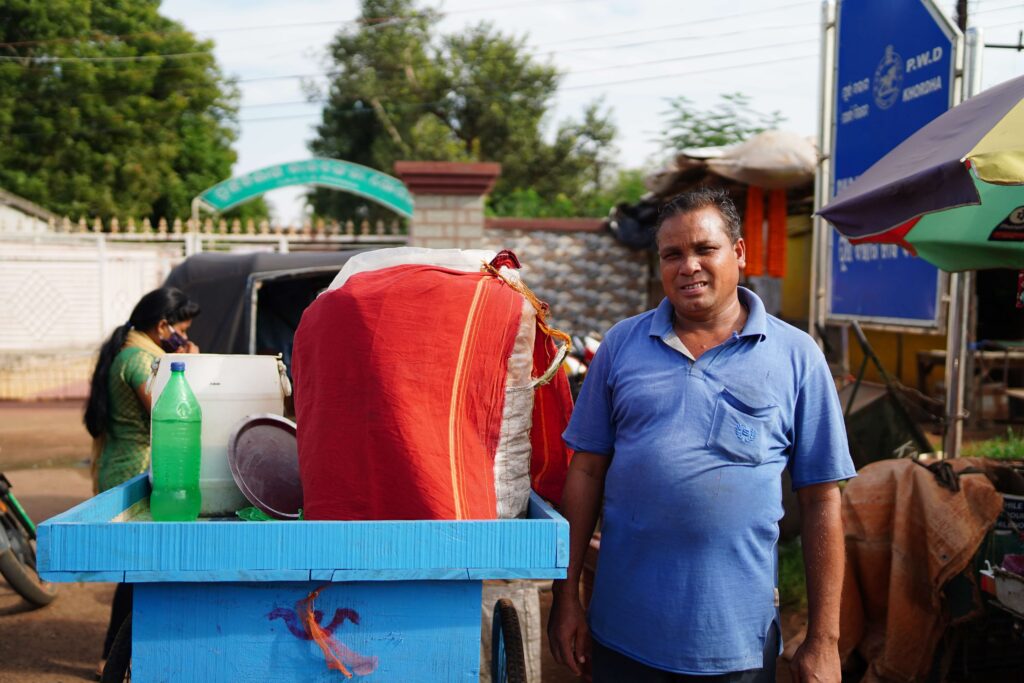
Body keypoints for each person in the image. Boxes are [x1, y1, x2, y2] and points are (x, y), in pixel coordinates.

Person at [547, 188, 855, 683]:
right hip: (623, 637)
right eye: (672, 254)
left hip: (739, 647)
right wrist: (566, 599)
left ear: (738, 253)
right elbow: (584, 472)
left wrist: (824, 640)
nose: (687, 265)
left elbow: (823, 500)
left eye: (704, 249)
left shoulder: (797, 357)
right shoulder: (621, 346)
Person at [83, 286, 200, 676]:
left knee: (140, 569)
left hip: (128, 465)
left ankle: (118, 655)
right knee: (137, 570)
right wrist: (191, 368)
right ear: (163, 326)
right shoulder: (138, 359)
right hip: (132, 469)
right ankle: (111, 659)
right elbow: (168, 413)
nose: (184, 336)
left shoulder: (141, 352)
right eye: (181, 328)